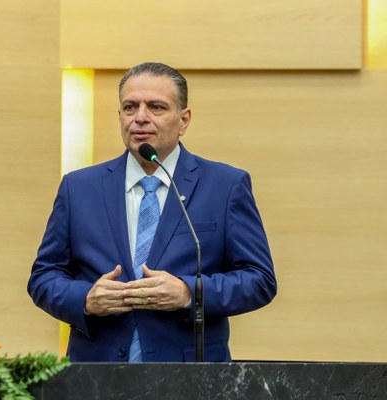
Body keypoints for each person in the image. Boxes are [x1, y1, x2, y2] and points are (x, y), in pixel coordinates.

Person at [27, 62, 277, 362]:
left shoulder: (224, 186)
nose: (140, 117)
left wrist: (189, 293)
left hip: (189, 374)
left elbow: (259, 279)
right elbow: (43, 277)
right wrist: (85, 299)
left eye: (156, 107)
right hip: (96, 373)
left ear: (184, 120)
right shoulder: (78, 188)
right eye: (130, 107)